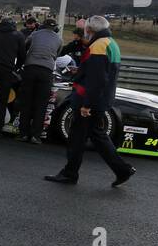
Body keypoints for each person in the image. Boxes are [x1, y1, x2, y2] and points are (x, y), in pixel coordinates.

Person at [45, 15, 135, 187]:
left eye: (86, 29)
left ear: (90, 30)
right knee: (97, 136)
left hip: (90, 100)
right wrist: (80, 72)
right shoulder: (111, 42)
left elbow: (98, 79)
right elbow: (101, 73)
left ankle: (70, 174)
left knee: (77, 138)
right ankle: (122, 170)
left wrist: (87, 104)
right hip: (102, 98)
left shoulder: (98, 46)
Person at [17, 19, 60, 143]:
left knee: (26, 102)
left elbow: (25, 47)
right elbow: (57, 54)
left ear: (42, 26)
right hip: (46, 71)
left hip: (30, 68)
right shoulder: (58, 39)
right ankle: (36, 135)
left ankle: (23, 134)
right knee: (41, 104)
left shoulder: (34, 34)